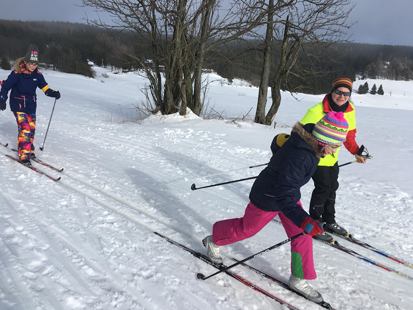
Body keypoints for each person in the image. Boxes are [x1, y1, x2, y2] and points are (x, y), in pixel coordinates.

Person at [202, 111, 349, 303]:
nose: (334, 151)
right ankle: (214, 239)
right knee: (248, 229)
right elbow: (284, 191)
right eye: (334, 146)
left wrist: (279, 163)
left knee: (301, 234)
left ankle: (298, 278)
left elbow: (278, 143)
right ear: (323, 140)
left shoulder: (306, 141)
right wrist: (304, 219)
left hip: (287, 195)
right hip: (269, 197)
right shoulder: (302, 157)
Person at [300, 77, 366, 242]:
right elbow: (299, 133)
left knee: (332, 188)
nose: (342, 96)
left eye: (346, 94)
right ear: (332, 91)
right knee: (323, 188)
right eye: (339, 92)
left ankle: (329, 221)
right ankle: (315, 223)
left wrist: (357, 152)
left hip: (332, 159)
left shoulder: (349, 110)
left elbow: (349, 136)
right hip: (315, 157)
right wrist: (319, 146)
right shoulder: (317, 110)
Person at [0, 44, 61, 166]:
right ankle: (24, 155)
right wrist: (2, 100)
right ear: (26, 62)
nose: (33, 67)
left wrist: (53, 93)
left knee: (31, 129)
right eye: (31, 64)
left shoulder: (37, 75)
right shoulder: (17, 73)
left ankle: (29, 150)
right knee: (25, 129)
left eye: (35, 64)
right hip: (17, 105)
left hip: (31, 105)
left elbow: (44, 87)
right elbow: (5, 87)